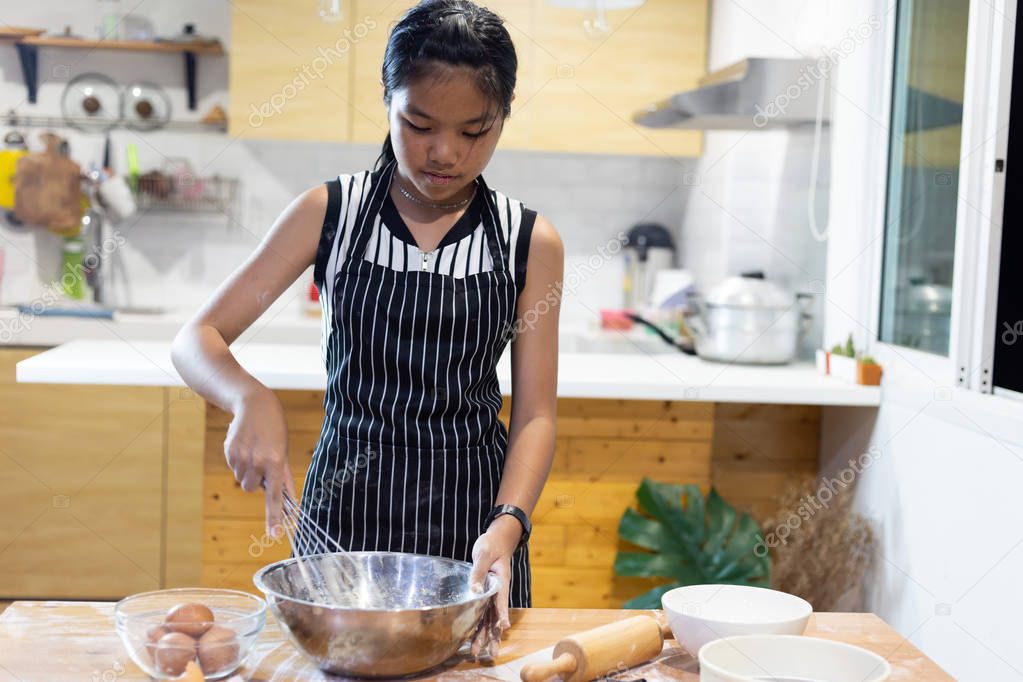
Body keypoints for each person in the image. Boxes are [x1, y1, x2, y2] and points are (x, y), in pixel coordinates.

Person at [171, 0, 563, 628]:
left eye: (473, 132)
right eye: (419, 123)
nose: (444, 153)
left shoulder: (528, 241)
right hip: (343, 516)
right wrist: (248, 397)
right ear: (387, 99)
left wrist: (510, 522)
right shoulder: (330, 213)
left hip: (474, 523)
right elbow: (198, 337)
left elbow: (536, 414)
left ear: (502, 119)